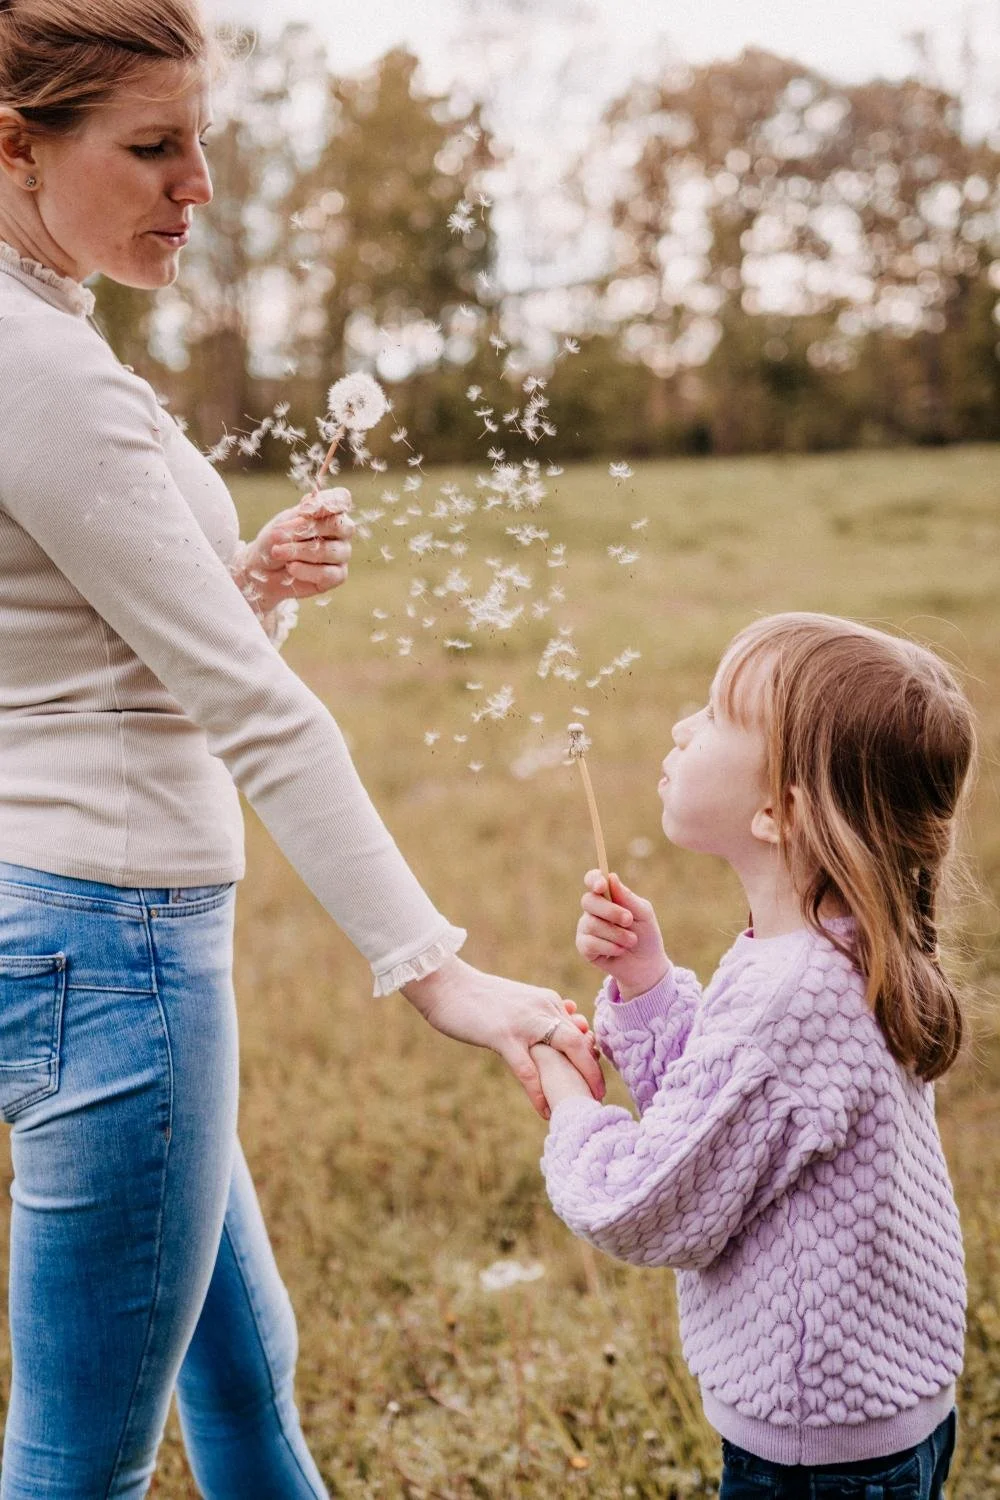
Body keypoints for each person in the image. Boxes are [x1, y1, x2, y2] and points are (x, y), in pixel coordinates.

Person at [0, 1, 603, 1493]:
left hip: (58, 920)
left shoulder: (38, 342)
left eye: (201, 144)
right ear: (15, 146)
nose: (195, 187)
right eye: (151, 149)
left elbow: (86, 664)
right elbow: (248, 717)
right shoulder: (47, 373)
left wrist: (243, 589)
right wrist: (436, 970)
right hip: (121, 956)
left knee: (250, 1384)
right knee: (83, 1467)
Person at [532, 612, 974, 1500]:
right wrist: (650, 982)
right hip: (881, 1416)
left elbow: (645, 1202)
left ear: (780, 811)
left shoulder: (791, 992)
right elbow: (738, 1123)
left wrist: (566, 1094)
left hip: (817, 1451)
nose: (681, 729)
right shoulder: (830, 944)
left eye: (714, 715)